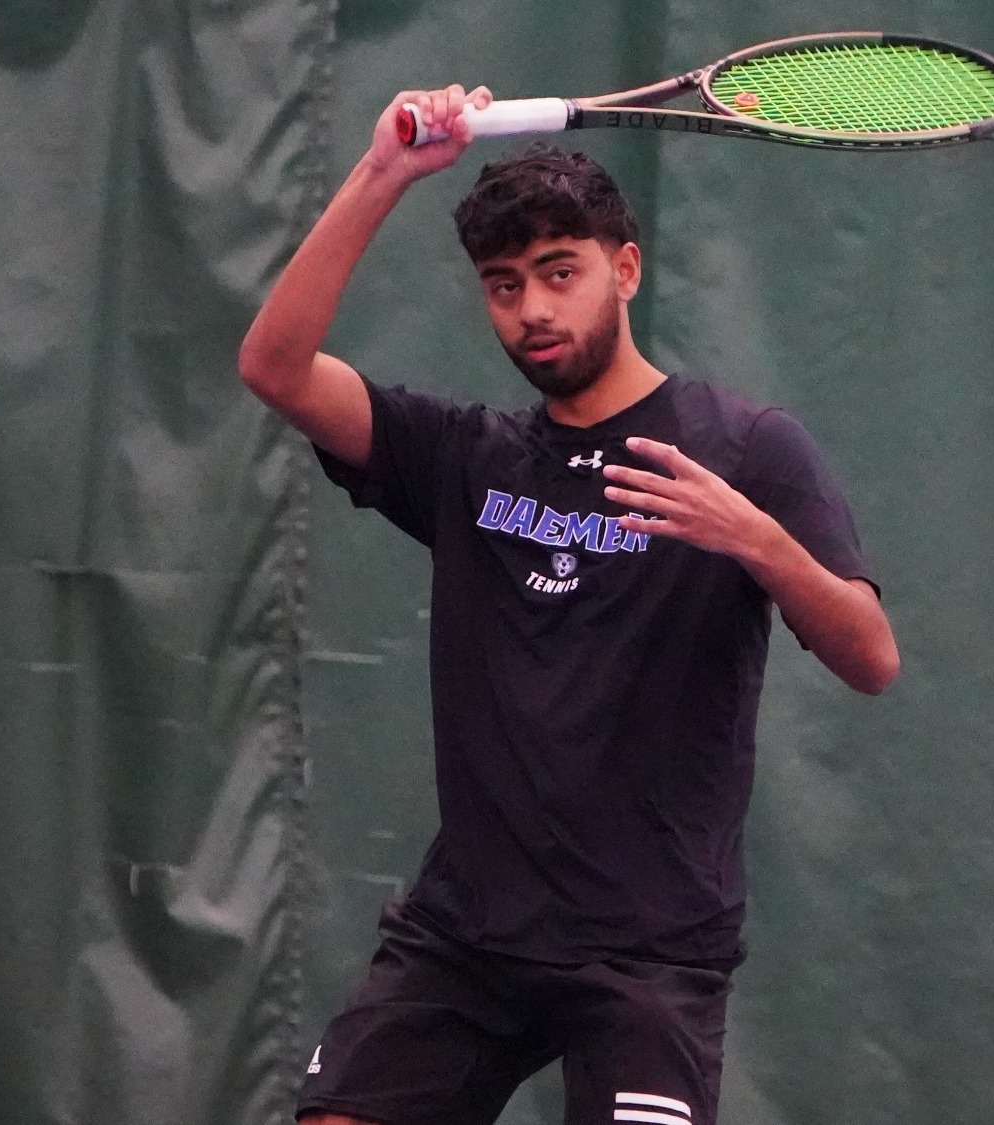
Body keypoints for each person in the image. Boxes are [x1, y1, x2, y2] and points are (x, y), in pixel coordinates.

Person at [237, 84, 899, 1125]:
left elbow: (868, 657)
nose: (532, 309)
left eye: (559, 273)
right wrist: (384, 172)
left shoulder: (745, 452)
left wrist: (756, 542)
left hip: (649, 953)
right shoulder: (461, 458)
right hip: (466, 938)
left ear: (623, 270)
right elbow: (272, 366)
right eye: (503, 286)